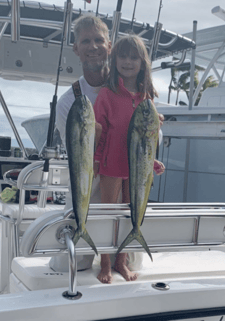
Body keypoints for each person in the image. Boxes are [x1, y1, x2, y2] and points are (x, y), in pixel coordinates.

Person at [53, 14, 164, 278]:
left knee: (132, 263)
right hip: (90, 180)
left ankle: (118, 260)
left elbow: (148, 143)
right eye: (85, 41)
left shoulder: (138, 89)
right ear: (76, 49)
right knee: (69, 266)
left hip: (129, 173)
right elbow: (79, 157)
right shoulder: (68, 102)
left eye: (99, 40)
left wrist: (155, 129)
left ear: (110, 46)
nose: (93, 46)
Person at [93, 34, 165, 284]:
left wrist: (153, 163)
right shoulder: (107, 93)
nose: (127, 61)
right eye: (122, 56)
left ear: (142, 62)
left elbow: (148, 140)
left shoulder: (147, 98)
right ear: (114, 60)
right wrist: (96, 160)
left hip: (137, 169)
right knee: (108, 214)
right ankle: (104, 264)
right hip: (112, 165)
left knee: (129, 213)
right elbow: (98, 131)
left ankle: (120, 263)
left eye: (134, 57)